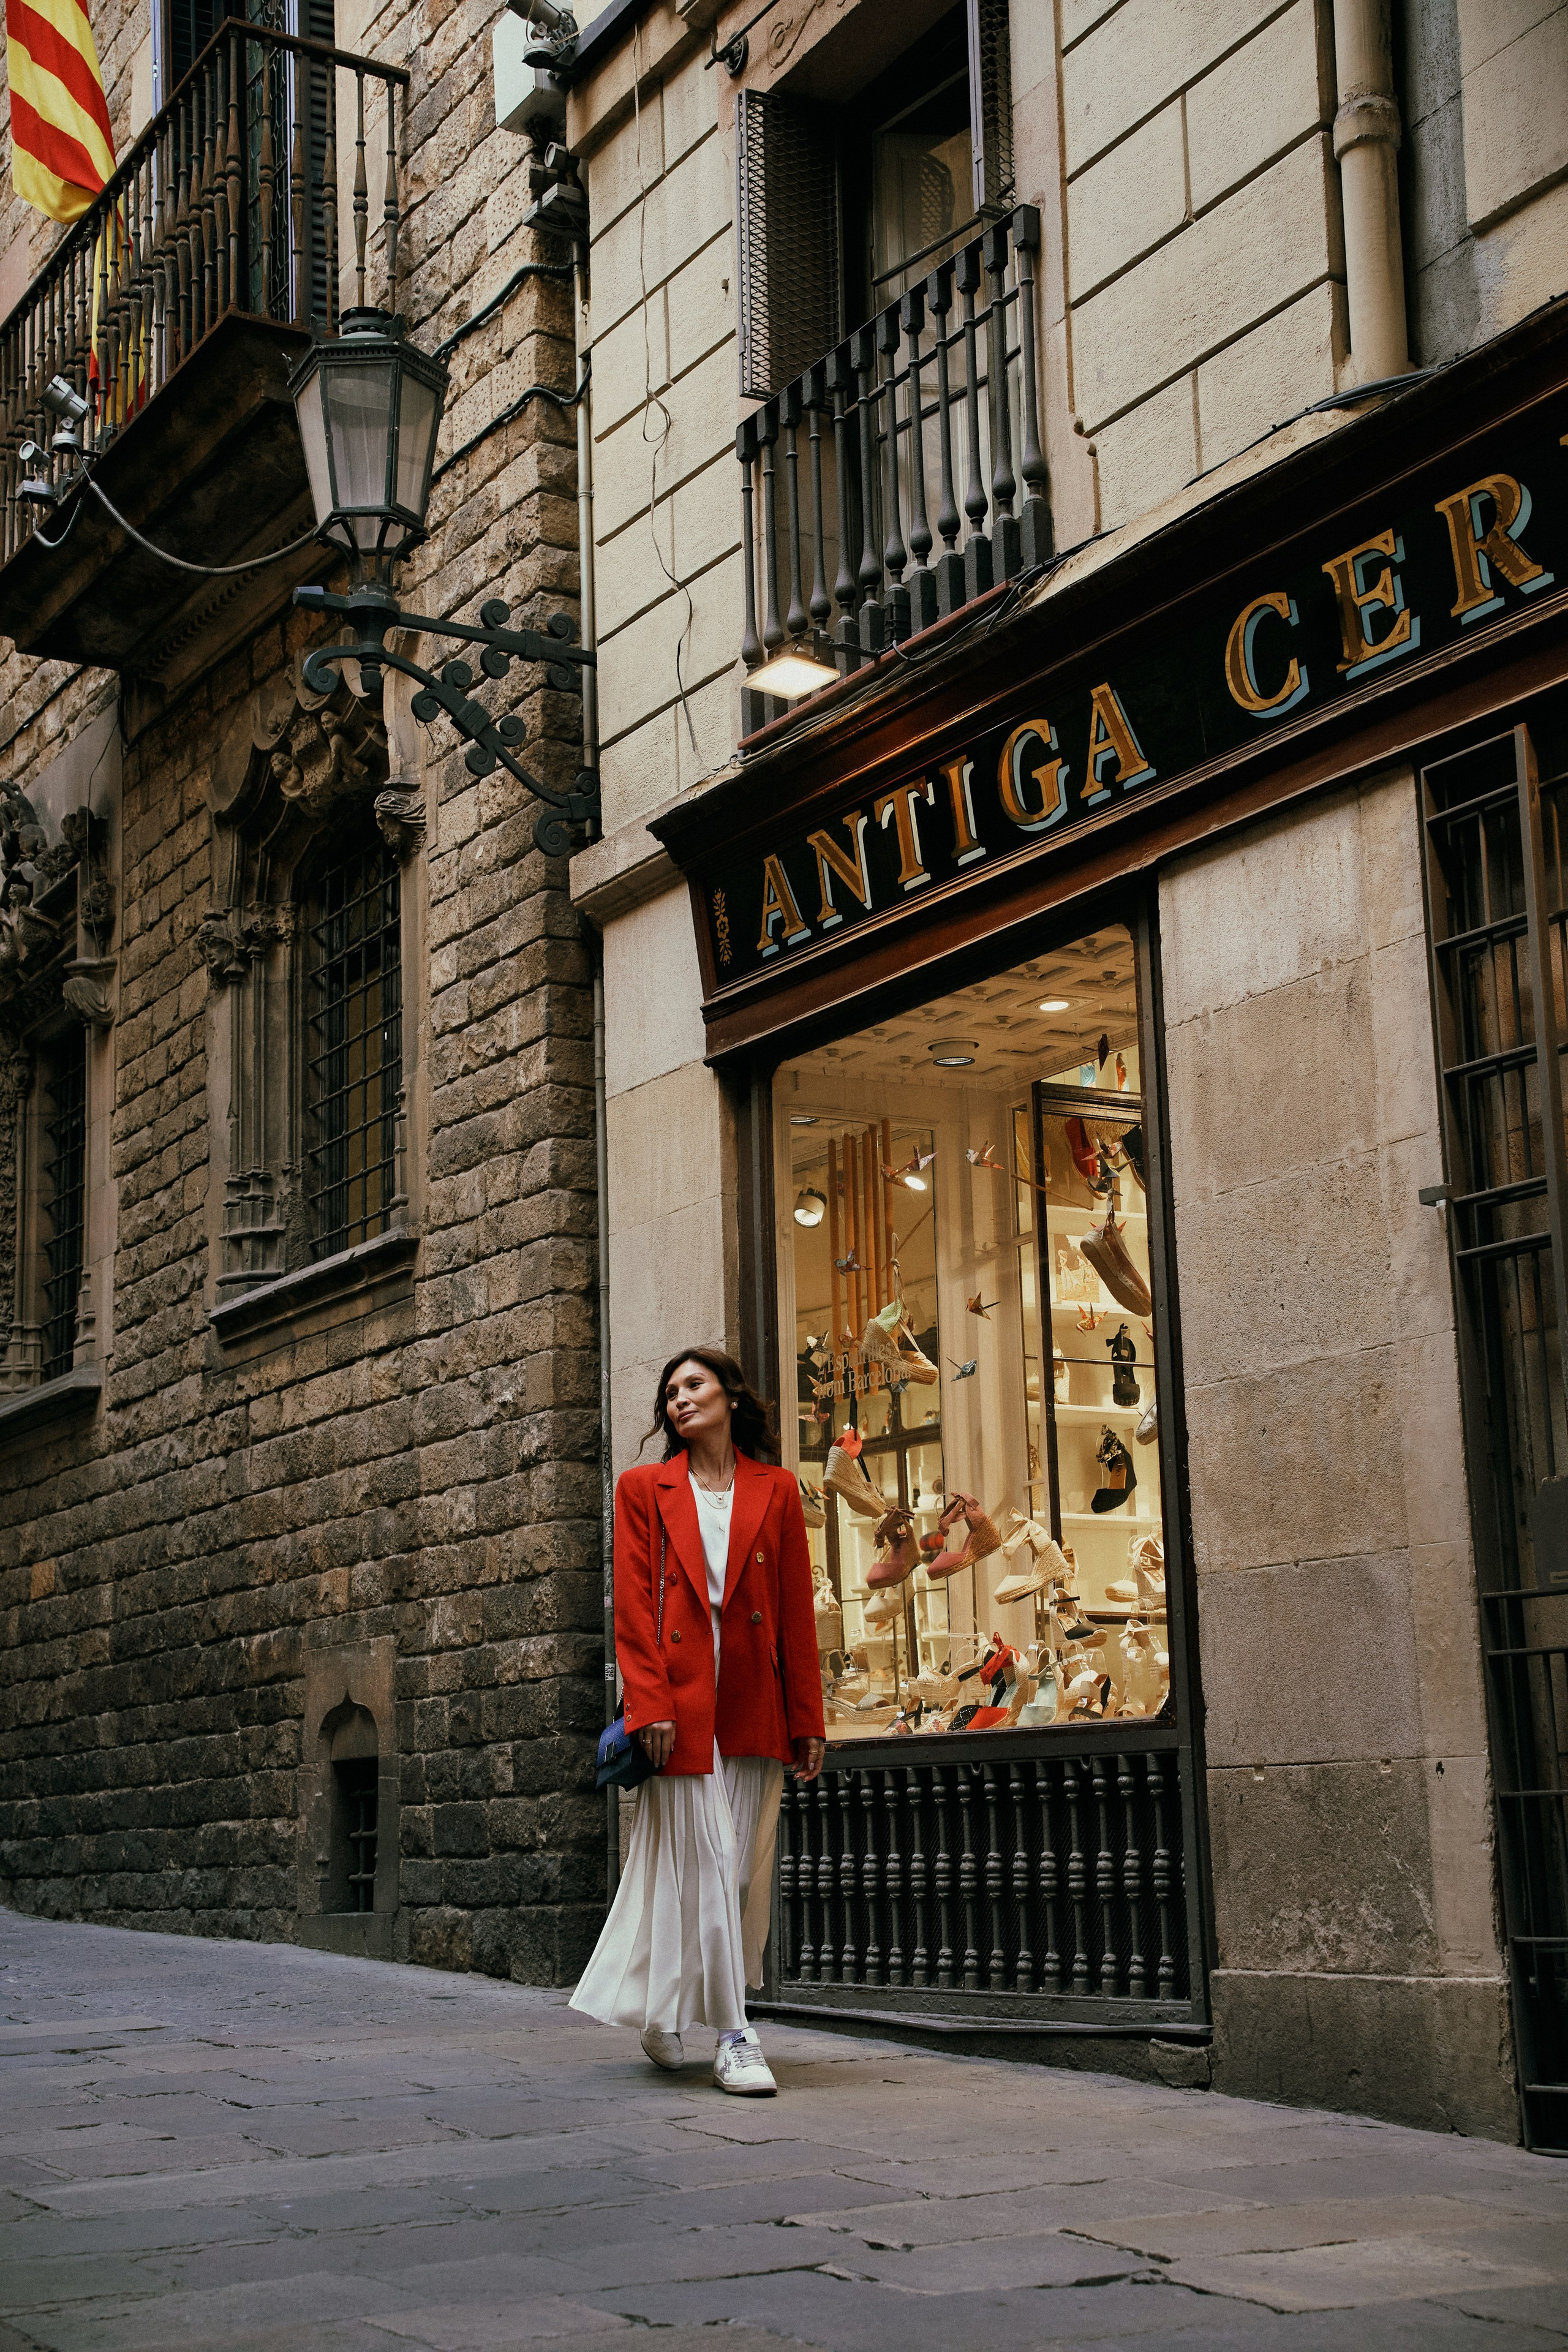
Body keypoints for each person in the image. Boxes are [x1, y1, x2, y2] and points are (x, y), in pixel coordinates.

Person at [570, 1346, 826, 2094]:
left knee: (733, 1869)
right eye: (670, 1392)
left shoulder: (776, 1491)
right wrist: (647, 1702)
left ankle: (663, 2006)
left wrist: (806, 1718)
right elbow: (633, 1608)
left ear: (730, 1398)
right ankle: (736, 2035)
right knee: (712, 1860)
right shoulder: (644, 1488)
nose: (680, 1399)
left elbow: (794, 1616)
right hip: (676, 1708)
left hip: (751, 1705)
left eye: (694, 1385)